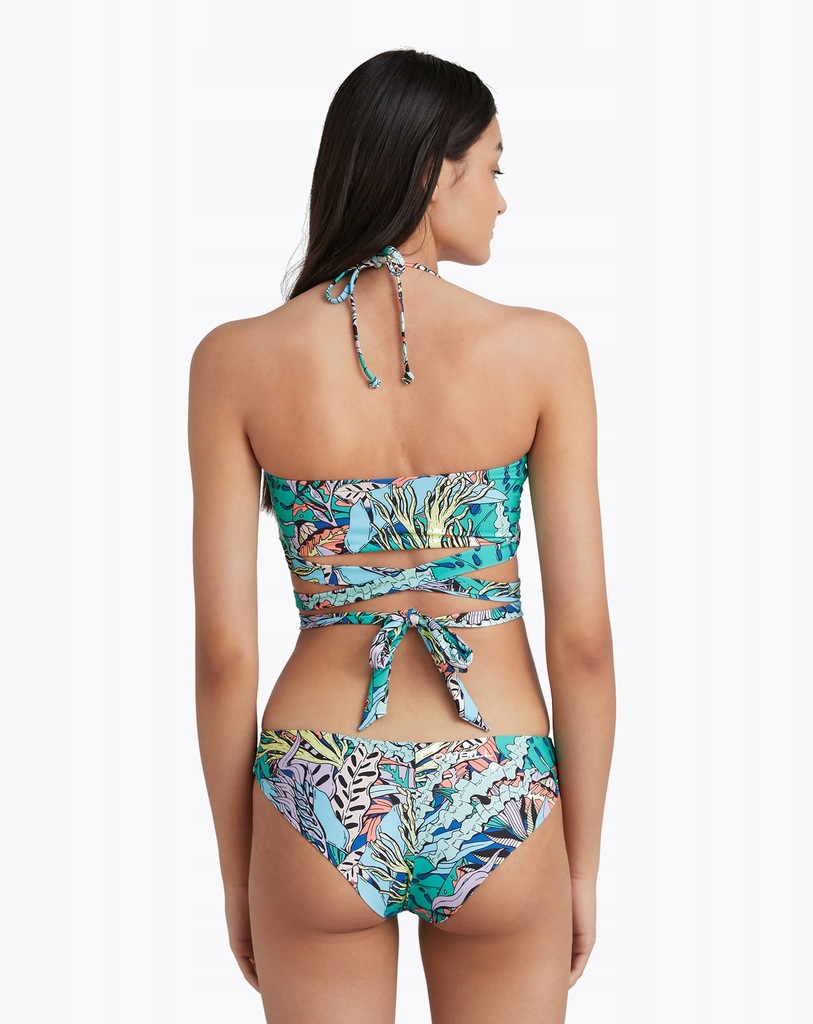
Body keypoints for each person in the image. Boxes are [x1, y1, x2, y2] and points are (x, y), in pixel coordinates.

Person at [188, 48, 616, 1024]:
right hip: (499, 778)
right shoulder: (543, 351)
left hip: (316, 784)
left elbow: (223, 656)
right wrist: (580, 865)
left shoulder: (234, 361)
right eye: (493, 167)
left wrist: (239, 872)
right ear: (433, 170)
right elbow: (584, 643)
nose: (501, 199)